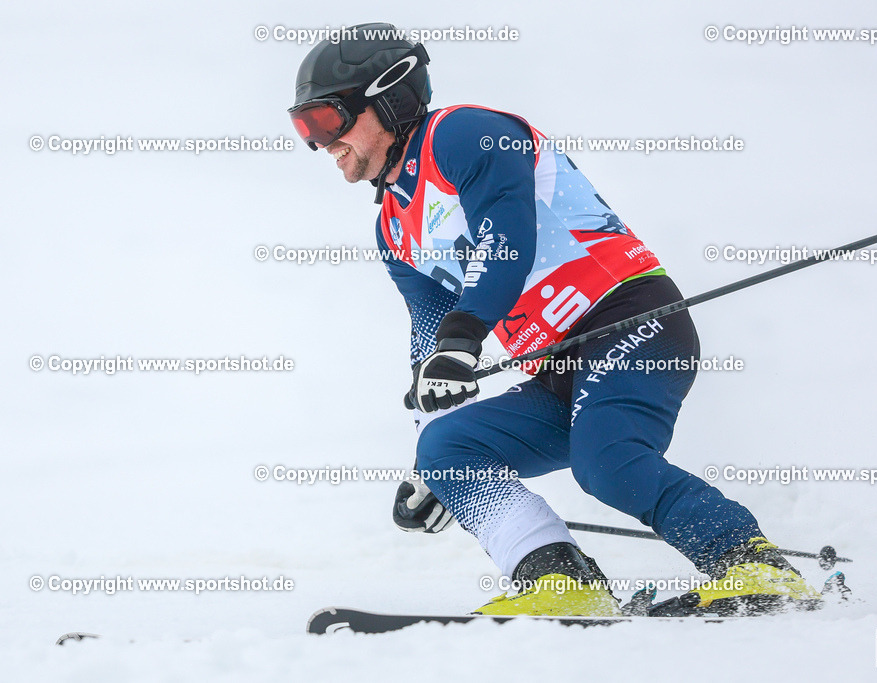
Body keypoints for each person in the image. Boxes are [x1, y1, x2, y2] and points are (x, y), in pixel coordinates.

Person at [289, 23, 821, 616]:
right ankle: (559, 579)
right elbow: (430, 342)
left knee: (607, 463)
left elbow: (506, 241)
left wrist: (464, 338)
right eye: (304, 128)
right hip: (557, 366)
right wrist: (426, 459)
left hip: (628, 320)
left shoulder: (463, 134)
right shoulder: (392, 226)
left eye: (327, 120)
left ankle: (753, 565)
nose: (320, 143)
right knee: (447, 448)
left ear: (389, 98)